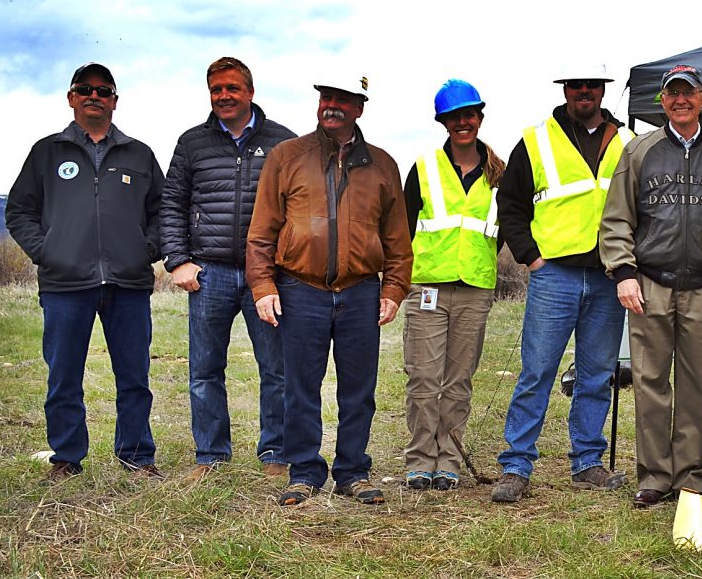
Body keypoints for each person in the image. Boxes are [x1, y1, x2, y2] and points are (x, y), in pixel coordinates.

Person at [246, 74, 412, 506]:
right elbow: (262, 230)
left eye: (343, 99)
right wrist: (263, 285)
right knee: (300, 386)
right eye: (326, 97)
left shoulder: (382, 165)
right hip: (300, 289)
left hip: (360, 292)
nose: (332, 105)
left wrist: (393, 288)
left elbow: (397, 237)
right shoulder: (287, 157)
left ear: (360, 107)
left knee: (359, 388)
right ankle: (303, 473)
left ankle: (353, 471)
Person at [7, 62, 165, 482]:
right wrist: (47, 251)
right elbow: (19, 211)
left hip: (128, 284)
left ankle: (136, 456)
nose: (94, 96)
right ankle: (66, 457)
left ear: (115, 100)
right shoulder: (47, 152)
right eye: (85, 89)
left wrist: (144, 250)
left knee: (134, 376)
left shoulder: (139, 153)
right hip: (64, 284)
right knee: (64, 377)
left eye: (103, 90)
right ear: (71, 97)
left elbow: (163, 213)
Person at [491, 64, 634, 503]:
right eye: (576, 85)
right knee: (537, 372)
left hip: (609, 276)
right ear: (566, 90)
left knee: (596, 374)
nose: (584, 92)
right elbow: (510, 204)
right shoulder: (535, 141)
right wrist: (530, 257)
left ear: (603, 89)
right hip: (553, 274)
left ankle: (587, 461)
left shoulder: (627, 142)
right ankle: (516, 465)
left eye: (591, 85)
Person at [160, 57, 297, 482]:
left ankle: (275, 452)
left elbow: (299, 207)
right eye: (216, 89)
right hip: (209, 273)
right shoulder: (192, 143)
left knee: (276, 369)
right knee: (204, 371)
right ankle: (211, 456)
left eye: (232, 88)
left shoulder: (283, 143)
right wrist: (178, 261)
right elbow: (172, 204)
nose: (223, 96)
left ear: (250, 92)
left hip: (266, 276)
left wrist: (286, 266)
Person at [600, 65, 702, 509]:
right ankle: (653, 475)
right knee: (651, 383)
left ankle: (691, 474)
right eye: (673, 94)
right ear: (663, 102)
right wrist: (624, 272)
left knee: (698, 385)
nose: (681, 101)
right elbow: (617, 218)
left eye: (688, 93)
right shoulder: (639, 151)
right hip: (650, 284)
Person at [401, 79, 505, 492]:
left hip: (474, 289)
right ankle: (419, 459)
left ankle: (449, 460)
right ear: (443, 122)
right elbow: (402, 228)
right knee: (424, 379)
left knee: (458, 380)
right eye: (454, 117)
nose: (463, 122)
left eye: (470, 114)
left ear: (479, 116)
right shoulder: (424, 169)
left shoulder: (499, 173)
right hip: (428, 287)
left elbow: (508, 227)